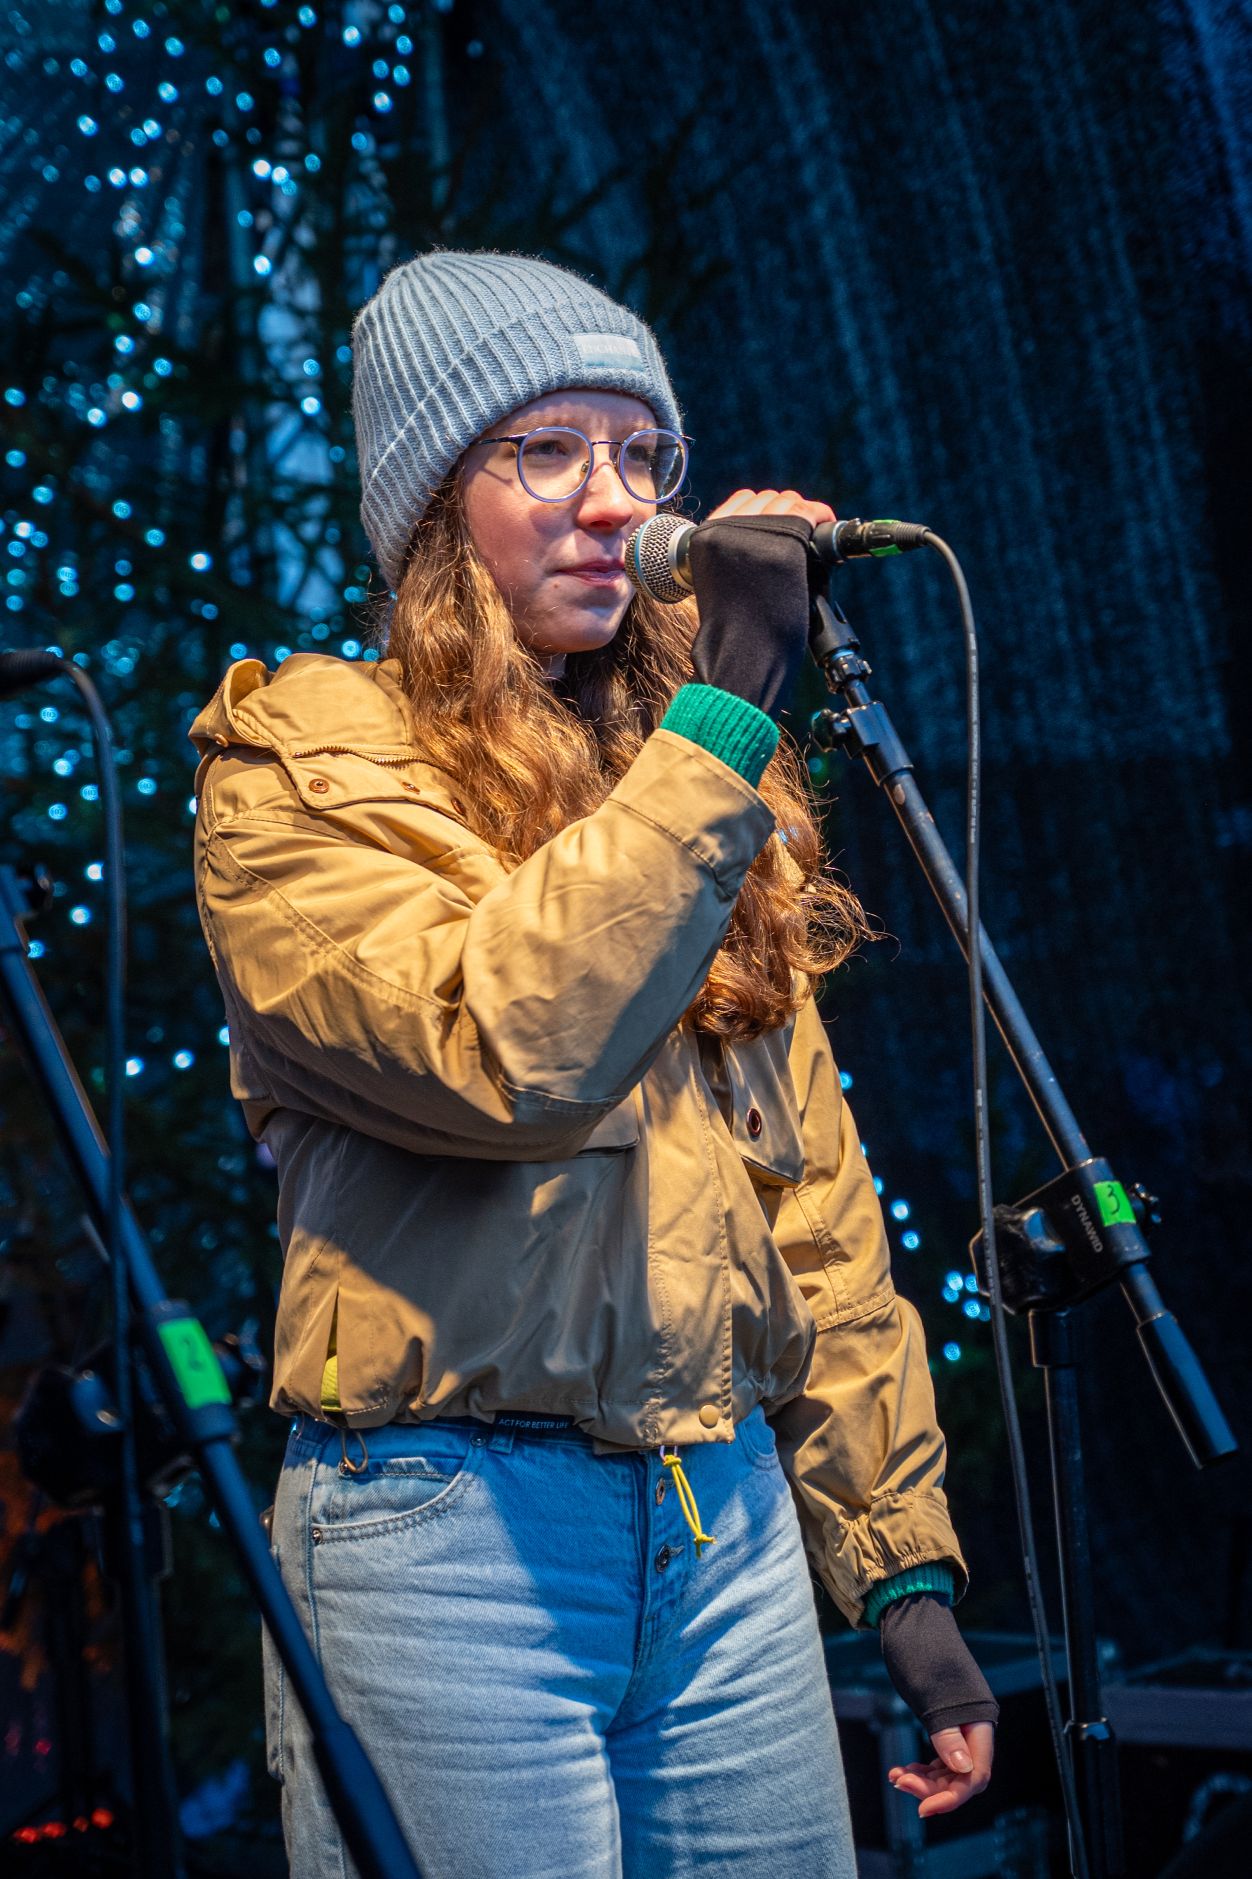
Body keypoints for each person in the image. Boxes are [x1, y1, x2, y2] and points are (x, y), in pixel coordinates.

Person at [190, 251, 998, 1879]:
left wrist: (897, 1566)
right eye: (545, 451)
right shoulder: (300, 763)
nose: (613, 503)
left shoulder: (687, 776)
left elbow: (811, 1207)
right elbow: (507, 1051)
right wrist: (725, 719)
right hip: (449, 1536)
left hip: (727, 1521)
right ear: (435, 507)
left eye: (641, 455)